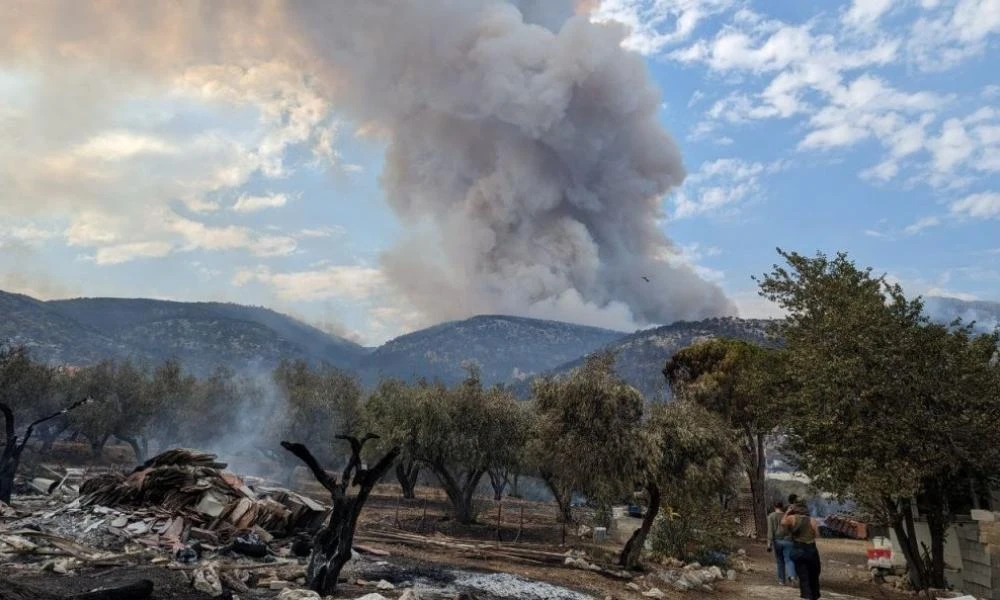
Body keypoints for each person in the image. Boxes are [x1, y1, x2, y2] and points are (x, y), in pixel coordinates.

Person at [782, 496, 821, 600]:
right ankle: (814, 596)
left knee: (803, 575)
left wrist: (787, 512)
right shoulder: (812, 520)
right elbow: (817, 535)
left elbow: (783, 522)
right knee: (814, 574)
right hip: (811, 549)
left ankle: (806, 596)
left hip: (799, 549)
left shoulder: (792, 518)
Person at [766, 501, 796, 585]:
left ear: (774, 506)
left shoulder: (771, 516)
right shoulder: (787, 516)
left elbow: (770, 531)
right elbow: (792, 529)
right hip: (789, 541)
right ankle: (792, 576)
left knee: (780, 561)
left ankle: (781, 580)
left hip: (778, 541)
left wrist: (769, 543)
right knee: (789, 560)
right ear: (782, 507)